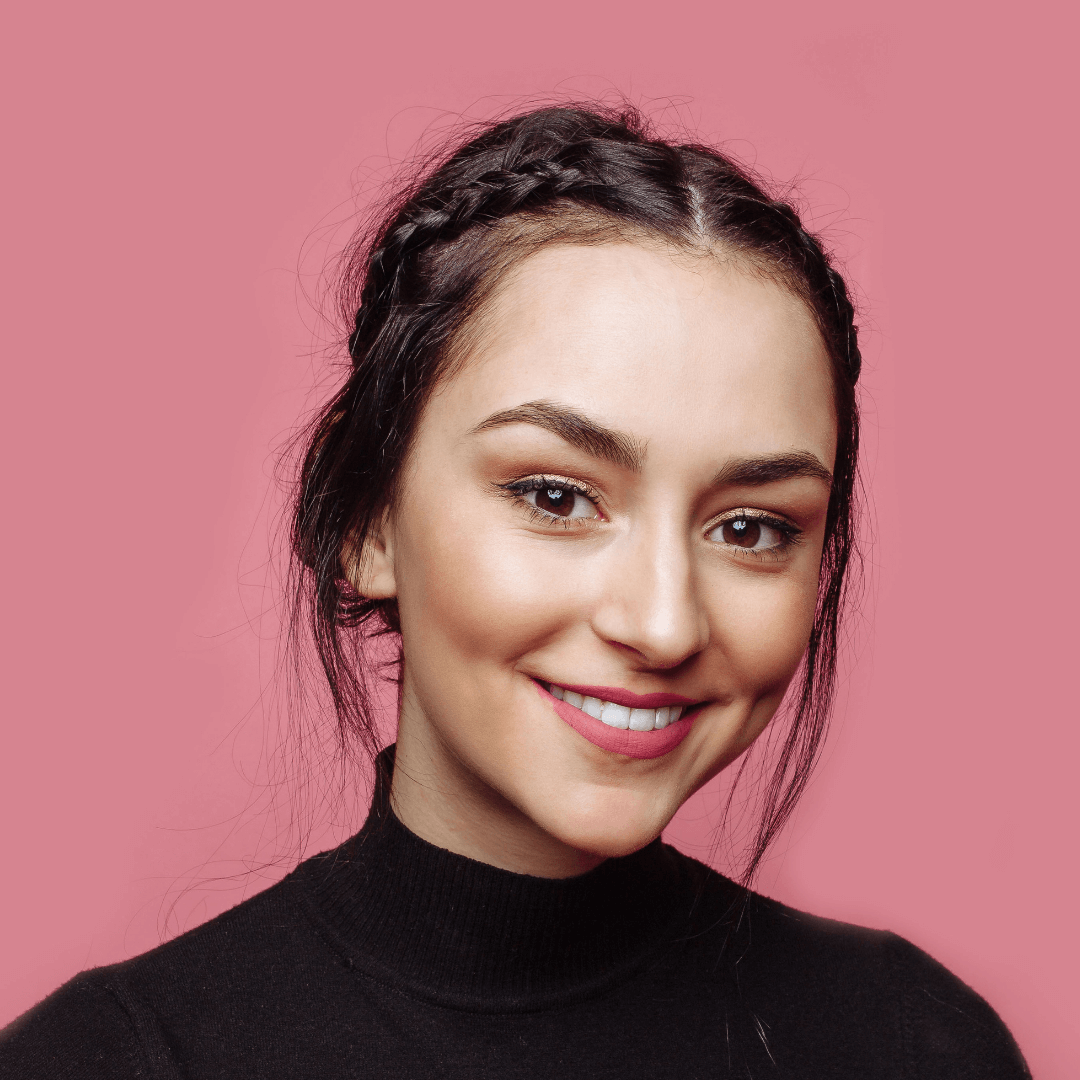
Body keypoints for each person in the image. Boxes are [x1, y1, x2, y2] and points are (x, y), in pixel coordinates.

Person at [0, 103, 1030, 1078]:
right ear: (364, 516)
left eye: (751, 527)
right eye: (555, 496)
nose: (663, 623)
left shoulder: (914, 1044)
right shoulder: (107, 1060)